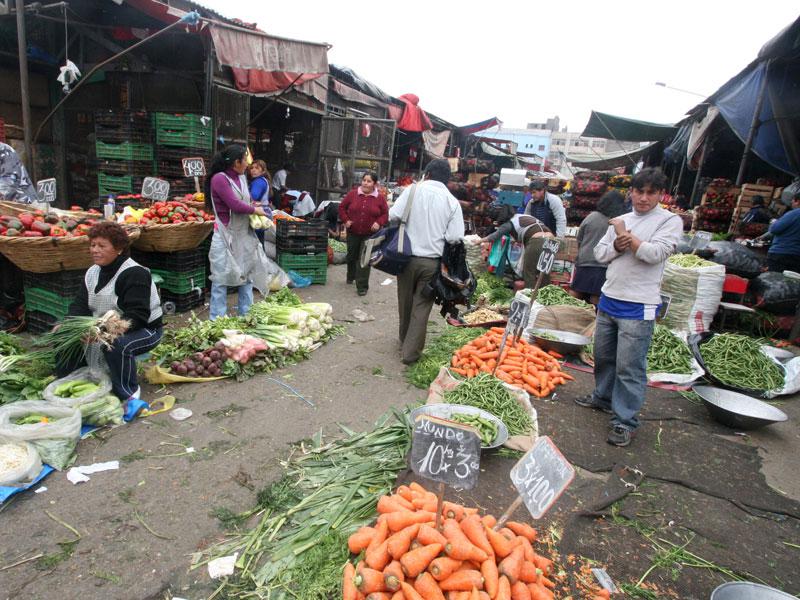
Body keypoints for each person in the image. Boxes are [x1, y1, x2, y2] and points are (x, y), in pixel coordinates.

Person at [574, 168, 683, 447]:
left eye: (651, 192)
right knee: (604, 356)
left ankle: (625, 421)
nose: (644, 198)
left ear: (661, 195)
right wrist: (619, 245)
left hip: (639, 305)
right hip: (610, 298)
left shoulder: (669, 221)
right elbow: (600, 253)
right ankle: (602, 397)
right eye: (639, 191)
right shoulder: (620, 219)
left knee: (630, 366)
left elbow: (654, 254)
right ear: (631, 192)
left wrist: (627, 238)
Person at [58, 222, 162, 418]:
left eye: (101, 246)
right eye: (92, 245)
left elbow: (137, 317)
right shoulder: (92, 272)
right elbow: (79, 305)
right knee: (64, 337)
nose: (94, 250)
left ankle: (128, 395)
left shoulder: (134, 273)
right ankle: (69, 384)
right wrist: (70, 326)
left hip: (145, 329)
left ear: (119, 248)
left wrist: (102, 333)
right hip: (103, 326)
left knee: (115, 345)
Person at [389, 159, 464, 364]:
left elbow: (393, 215)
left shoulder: (412, 191)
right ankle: (410, 353)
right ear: (447, 180)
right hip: (432, 263)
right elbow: (455, 237)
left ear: (427, 174)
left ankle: (404, 340)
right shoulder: (452, 201)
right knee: (421, 306)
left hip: (405, 258)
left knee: (405, 301)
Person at [206, 145, 270, 320]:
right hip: (225, 235)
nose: (248, 165)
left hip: (243, 234)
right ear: (236, 162)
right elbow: (234, 204)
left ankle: (246, 315)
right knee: (220, 278)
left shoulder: (241, 178)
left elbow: (245, 199)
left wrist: (254, 206)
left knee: (247, 275)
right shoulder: (219, 179)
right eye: (245, 160)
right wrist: (256, 211)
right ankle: (217, 320)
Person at [570, 190, 627, 304]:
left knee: (576, 295)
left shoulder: (592, 216)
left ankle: (569, 317)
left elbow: (579, 238)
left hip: (585, 261)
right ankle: (593, 320)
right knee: (595, 298)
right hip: (602, 266)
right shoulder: (617, 223)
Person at [339, 172, 389, 296]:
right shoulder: (352, 194)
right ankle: (351, 276)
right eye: (364, 180)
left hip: (369, 235)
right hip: (353, 232)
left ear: (374, 184)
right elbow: (341, 208)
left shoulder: (380, 198)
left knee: (364, 260)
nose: (366, 183)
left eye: (369, 181)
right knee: (352, 256)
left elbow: (385, 214)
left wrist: (379, 222)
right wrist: (346, 220)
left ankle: (362, 287)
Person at [478, 212, 554, 288]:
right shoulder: (520, 216)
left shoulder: (509, 223)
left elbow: (494, 236)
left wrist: (478, 241)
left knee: (529, 271)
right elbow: (527, 230)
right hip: (552, 240)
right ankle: (544, 293)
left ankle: (529, 296)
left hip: (538, 240)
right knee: (544, 271)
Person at [765, 192, 800, 272]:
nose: (791, 202)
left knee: (773, 281)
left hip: (781, 253)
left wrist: (773, 222)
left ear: (798, 201)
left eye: (793, 200)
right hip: (797, 257)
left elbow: (774, 229)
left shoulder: (793, 214)